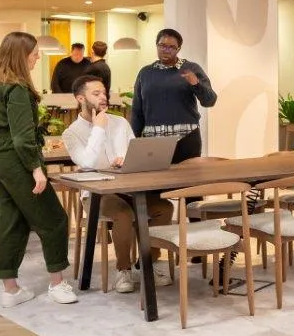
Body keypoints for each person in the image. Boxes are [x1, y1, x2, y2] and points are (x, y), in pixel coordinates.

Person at [0, 31, 76, 307]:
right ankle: (57, 284)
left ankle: (10, 290)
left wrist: (4, 146)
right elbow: (23, 138)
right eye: (34, 53)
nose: (38, 57)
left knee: (10, 221)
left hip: (0, 159)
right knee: (54, 219)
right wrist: (35, 168)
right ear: (21, 56)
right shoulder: (18, 89)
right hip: (19, 161)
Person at [63, 74, 173, 293]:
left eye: (104, 92)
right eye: (96, 93)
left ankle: (148, 263)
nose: (103, 97)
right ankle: (123, 269)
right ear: (80, 99)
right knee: (123, 214)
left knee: (164, 207)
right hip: (97, 196)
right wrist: (98, 128)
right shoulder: (71, 133)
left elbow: (135, 153)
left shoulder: (121, 122)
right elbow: (87, 163)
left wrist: (127, 160)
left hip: (129, 189)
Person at [130, 28, 217, 163]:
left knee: (188, 177)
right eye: (162, 45)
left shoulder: (191, 69)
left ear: (178, 49)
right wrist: (134, 140)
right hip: (153, 141)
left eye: (171, 47)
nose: (166, 50)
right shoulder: (145, 73)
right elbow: (137, 110)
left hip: (186, 139)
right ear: (157, 45)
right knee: (155, 176)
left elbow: (210, 100)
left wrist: (196, 84)